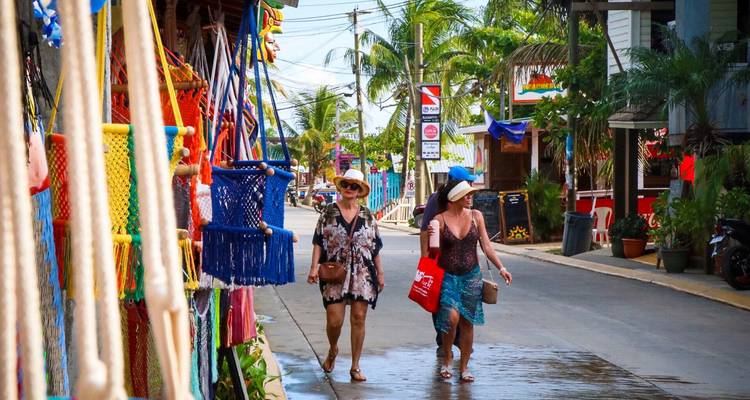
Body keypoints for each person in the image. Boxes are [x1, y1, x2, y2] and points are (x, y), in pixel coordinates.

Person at [307, 168, 385, 382]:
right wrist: (314, 267)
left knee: (359, 318)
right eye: (346, 185)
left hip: (363, 272)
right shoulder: (328, 212)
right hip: (334, 270)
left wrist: (380, 273)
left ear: (360, 190)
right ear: (340, 187)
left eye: (354, 186)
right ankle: (333, 349)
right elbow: (317, 241)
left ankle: (355, 366)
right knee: (335, 321)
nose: (349, 189)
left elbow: (375, 247)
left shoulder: (368, 215)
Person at [433, 180, 512, 382]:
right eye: (466, 195)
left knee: (468, 322)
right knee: (451, 319)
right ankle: (448, 357)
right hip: (448, 276)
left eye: (470, 194)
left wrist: (501, 267)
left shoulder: (476, 217)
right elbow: (431, 252)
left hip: (471, 277)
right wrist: (432, 236)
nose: (470, 197)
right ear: (455, 198)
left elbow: (486, 245)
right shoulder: (439, 219)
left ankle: (465, 366)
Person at [419, 166, 477, 355]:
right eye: (467, 181)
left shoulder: (466, 199)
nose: (469, 185)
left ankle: (459, 339)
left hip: (460, 260)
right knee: (439, 300)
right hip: (439, 258)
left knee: (459, 301)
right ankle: (442, 341)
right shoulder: (437, 199)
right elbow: (425, 230)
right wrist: (424, 258)